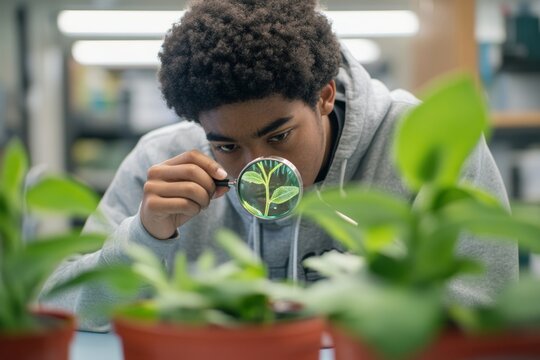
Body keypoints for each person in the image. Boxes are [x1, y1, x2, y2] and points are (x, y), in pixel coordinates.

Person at [40, 0, 517, 331]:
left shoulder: (423, 140)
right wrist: (145, 236)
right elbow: (56, 310)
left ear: (324, 95)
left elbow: (489, 307)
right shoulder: (158, 161)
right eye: (226, 146)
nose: (259, 166)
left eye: (279, 136)